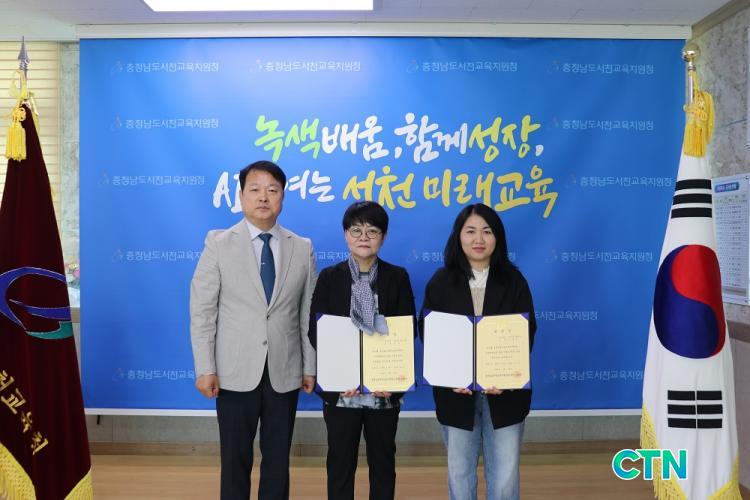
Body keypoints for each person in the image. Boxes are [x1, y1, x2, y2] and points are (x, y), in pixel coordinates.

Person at [190, 160, 317, 500]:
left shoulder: (302, 247)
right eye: (255, 189)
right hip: (233, 371)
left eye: (272, 190)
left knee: (278, 460)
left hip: (284, 370)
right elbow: (202, 311)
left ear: (282, 197)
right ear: (242, 195)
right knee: (235, 460)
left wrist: (309, 366)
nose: (263, 197)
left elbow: (307, 313)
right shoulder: (218, 243)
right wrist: (205, 368)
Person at [421, 203, 536, 500]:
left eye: (487, 231)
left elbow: (526, 332)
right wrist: (450, 374)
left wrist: (505, 375)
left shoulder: (514, 281)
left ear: (497, 238)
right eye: (470, 231)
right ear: (458, 237)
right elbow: (429, 333)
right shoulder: (441, 282)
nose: (479, 239)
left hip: (506, 394)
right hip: (455, 394)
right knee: (459, 472)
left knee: (505, 476)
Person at [308, 201, 416, 500]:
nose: (364, 237)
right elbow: (316, 330)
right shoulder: (330, 277)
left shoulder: (397, 277)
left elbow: (407, 330)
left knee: (383, 463)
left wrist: (391, 379)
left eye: (372, 231)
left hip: (383, 390)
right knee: (340, 463)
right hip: (343, 391)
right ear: (346, 235)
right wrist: (340, 375)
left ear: (384, 236)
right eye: (356, 230)